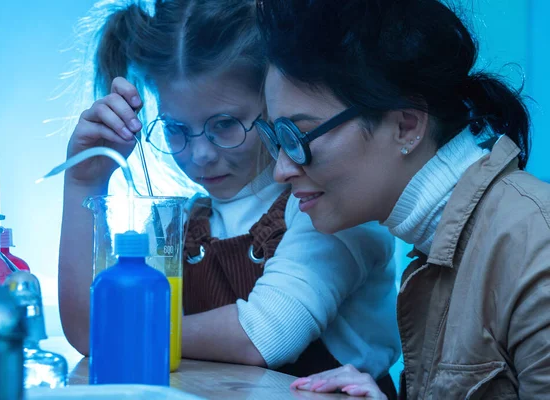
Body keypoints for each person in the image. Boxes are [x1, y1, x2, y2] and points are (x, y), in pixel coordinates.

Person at [58, 0, 400, 394]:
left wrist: (127, 326)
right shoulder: (180, 224)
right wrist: (84, 182)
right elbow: (89, 330)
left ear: (275, 103)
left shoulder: (332, 208)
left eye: (225, 124)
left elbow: (264, 335)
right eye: (175, 129)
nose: (200, 154)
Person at [255, 0, 550, 398]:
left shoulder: (535, 245)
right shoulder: (436, 243)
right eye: (275, 139)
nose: (281, 170)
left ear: (406, 126)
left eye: (298, 137)